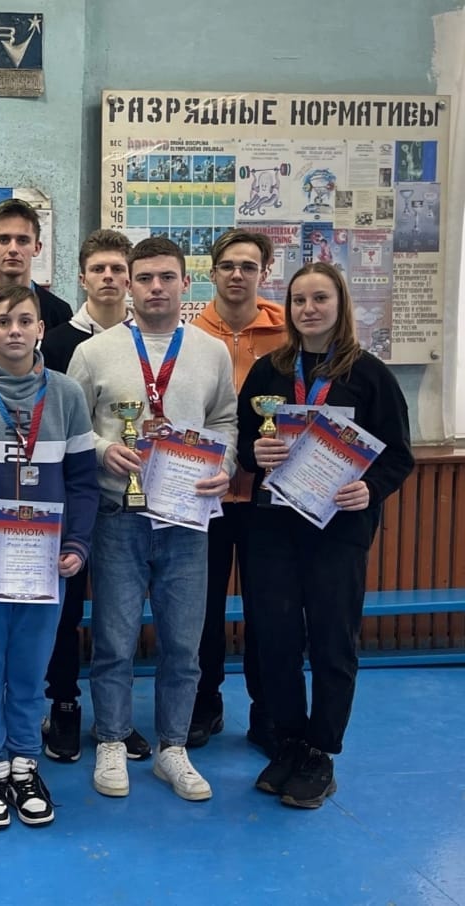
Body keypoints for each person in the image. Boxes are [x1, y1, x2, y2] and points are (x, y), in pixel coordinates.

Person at [67, 236, 237, 803]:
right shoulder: (94, 352)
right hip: (118, 515)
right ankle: (112, 739)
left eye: (167, 277)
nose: (156, 287)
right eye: (144, 278)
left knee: (184, 645)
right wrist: (101, 449)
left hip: (187, 519)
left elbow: (226, 420)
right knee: (114, 641)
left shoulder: (212, 351)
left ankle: (173, 748)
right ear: (128, 285)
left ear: (186, 283)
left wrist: (225, 466)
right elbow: (72, 425)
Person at [237, 262, 412, 808]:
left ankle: (321, 751)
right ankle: (289, 739)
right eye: (298, 300)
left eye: (320, 299)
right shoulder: (268, 372)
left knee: (333, 641)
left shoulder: (370, 375)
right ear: (287, 309)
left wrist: (371, 489)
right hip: (273, 526)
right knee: (276, 639)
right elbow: (244, 446)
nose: (308, 309)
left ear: (340, 305)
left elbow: (398, 456)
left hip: (338, 529)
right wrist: (255, 452)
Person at [0, 284, 99, 829]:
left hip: (44, 565)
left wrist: (77, 544)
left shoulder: (67, 395)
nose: (14, 330)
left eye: (25, 321)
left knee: (30, 670)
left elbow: (82, 483)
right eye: (3, 321)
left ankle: (25, 764)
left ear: (40, 330)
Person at [37, 229, 152, 765]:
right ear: (81, 278)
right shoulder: (59, 342)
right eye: (98, 269)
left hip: (128, 500)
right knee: (63, 608)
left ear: (129, 279)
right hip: (66, 496)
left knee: (118, 612)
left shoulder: (148, 339)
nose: (109, 277)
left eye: (117, 269)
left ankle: (115, 715)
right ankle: (63, 703)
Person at [189, 228, 288, 751]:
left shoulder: (287, 334)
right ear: (212, 272)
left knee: (267, 609)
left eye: (248, 266)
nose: (237, 275)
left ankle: (267, 709)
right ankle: (204, 702)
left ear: (264, 272)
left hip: (269, 496)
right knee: (202, 609)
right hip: (204, 493)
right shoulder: (191, 334)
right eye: (227, 265)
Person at [0, 199, 73, 332]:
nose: (13, 249)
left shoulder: (59, 312)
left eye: (22, 240)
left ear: (37, 248)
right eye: (3, 240)